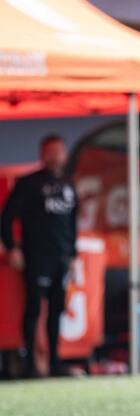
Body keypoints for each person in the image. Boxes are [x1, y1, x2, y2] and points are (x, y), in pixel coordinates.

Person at [1, 134, 78, 378]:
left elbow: (72, 223)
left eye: (59, 151)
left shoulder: (68, 184)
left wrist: (73, 256)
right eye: (50, 151)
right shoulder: (29, 183)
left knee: (57, 309)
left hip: (62, 258)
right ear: (42, 154)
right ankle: (30, 365)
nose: (55, 156)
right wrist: (12, 247)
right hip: (36, 256)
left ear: (64, 155)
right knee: (34, 308)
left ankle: (55, 362)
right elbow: (6, 217)